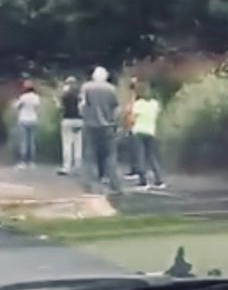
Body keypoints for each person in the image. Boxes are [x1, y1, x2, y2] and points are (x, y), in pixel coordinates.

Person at [79, 66, 123, 194]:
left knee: (90, 154)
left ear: (93, 76)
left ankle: (89, 185)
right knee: (110, 155)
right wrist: (114, 121)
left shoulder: (86, 87)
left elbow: (82, 105)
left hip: (90, 124)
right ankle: (114, 184)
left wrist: (86, 116)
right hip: (108, 125)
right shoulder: (111, 89)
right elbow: (116, 108)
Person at [132, 83, 165, 189]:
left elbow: (132, 117)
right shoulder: (155, 104)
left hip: (139, 131)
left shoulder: (138, 104)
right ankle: (159, 180)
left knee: (140, 157)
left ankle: (143, 181)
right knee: (151, 157)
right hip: (151, 131)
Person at [57, 76, 83, 175]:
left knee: (67, 144)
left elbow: (60, 107)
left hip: (67, 120)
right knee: (78, 144)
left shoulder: (65, 95)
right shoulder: (79, 95)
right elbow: (82, 107)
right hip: (78, 120)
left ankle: (66, 167)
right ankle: (78, 166)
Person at [14, 80, 41, 169]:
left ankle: (23, 162)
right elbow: (37, 107)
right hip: (33, 119)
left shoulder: (23, 97)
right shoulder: (36, 97)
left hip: (23, 119)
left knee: (24, 141)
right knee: (32, 142)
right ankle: (32, 162)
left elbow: (17, 106)